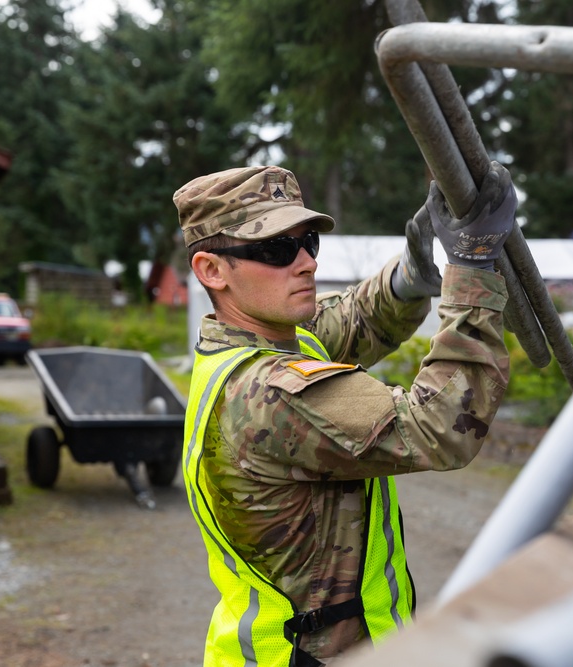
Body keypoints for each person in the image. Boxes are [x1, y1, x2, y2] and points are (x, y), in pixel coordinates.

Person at [174, 162, 517, 667]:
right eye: (275, 249)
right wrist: (473, 266)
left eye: (308, 241)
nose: (306, 263)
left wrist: (414, 268)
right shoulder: (271, 391)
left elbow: (351, 319)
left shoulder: (256, 345)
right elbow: (442, 425)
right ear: (211, 270)